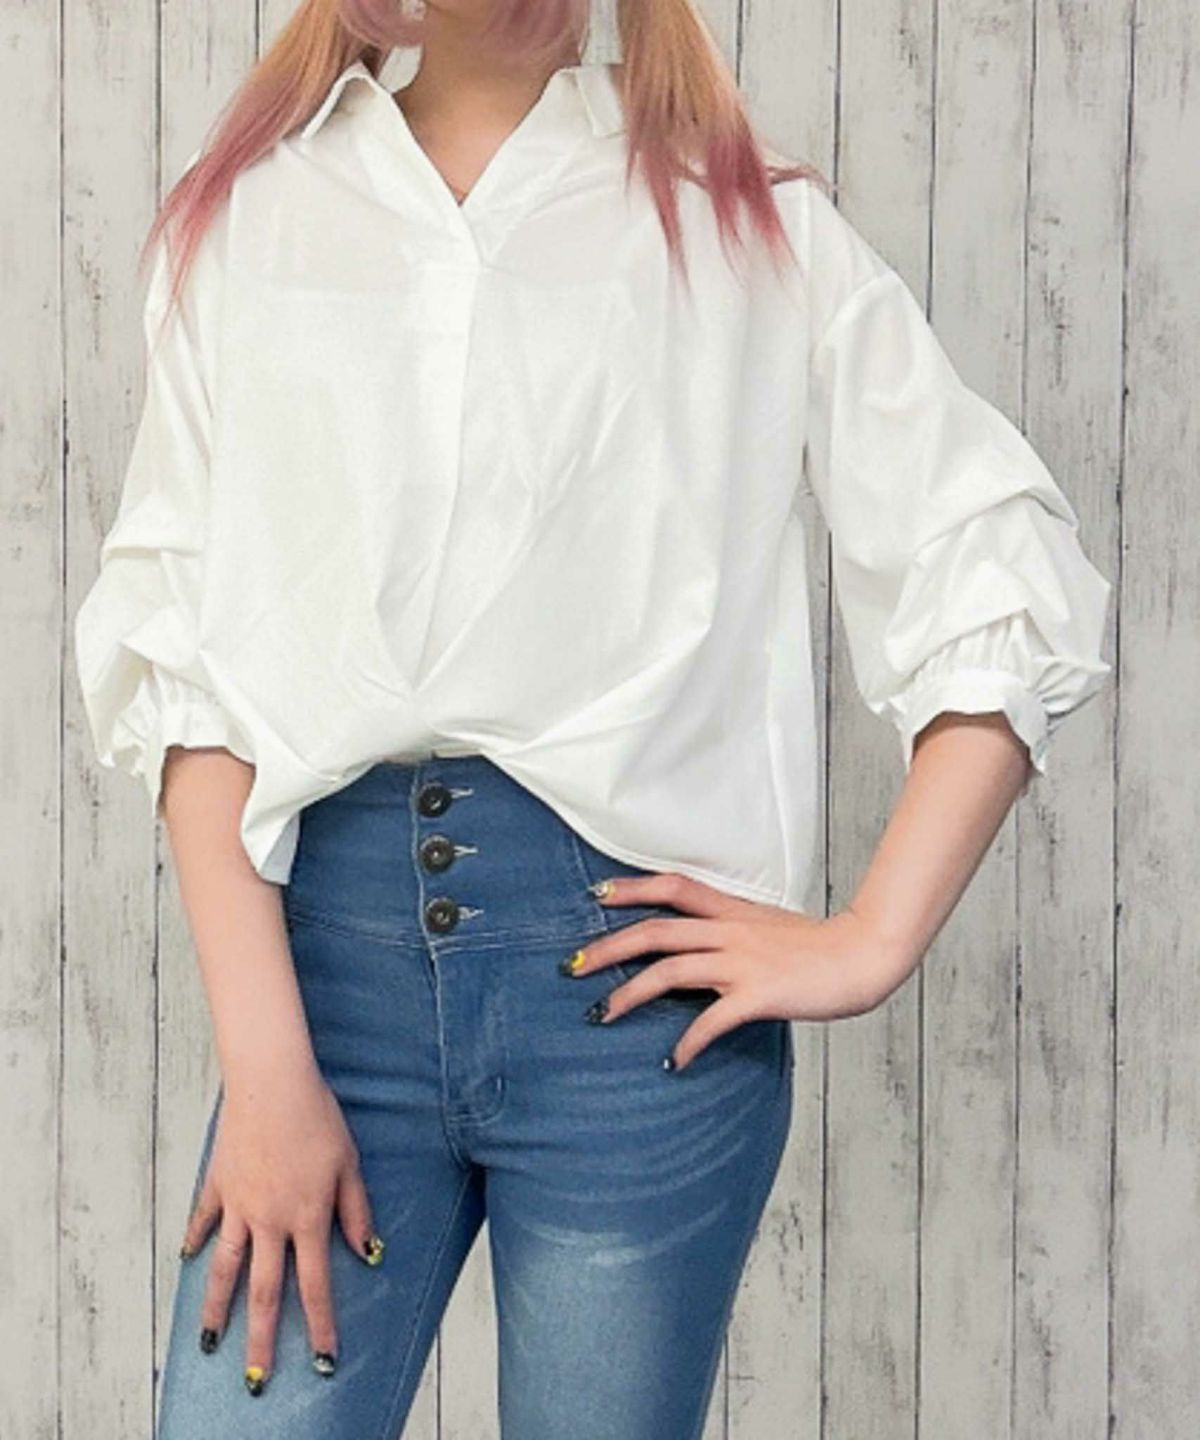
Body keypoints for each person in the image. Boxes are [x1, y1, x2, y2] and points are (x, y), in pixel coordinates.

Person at [72, 0, 1113, 1436]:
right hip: (320, 994)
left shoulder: (749, 226)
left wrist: (870, 939)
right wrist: (264, 1075)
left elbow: (996, 566)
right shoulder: (252, 220)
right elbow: (184, 667)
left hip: (633, 1012)